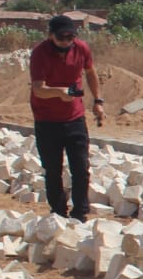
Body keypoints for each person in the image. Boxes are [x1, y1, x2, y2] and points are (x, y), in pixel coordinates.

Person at [29, 14, 102, 221]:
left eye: (71, 37)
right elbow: (38, 90)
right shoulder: (39, 54)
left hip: (74, 118)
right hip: (47, 119)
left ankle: (80, 213)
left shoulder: (81, 48)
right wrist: (60, 92)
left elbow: (90, 72)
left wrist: (98, 101)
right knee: (53, 170)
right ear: (50, 35)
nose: (67, 41)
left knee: (80, 167)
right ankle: (59, 213)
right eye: (62, 37)